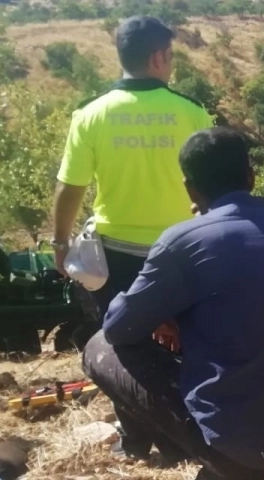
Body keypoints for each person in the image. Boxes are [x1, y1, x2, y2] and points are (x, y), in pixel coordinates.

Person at [82, 127, 264, 480]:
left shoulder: (182, 241)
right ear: (252, 177)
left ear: (190, 189)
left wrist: (159, 313)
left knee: (99, 347)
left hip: (248, 452)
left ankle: (160, 444)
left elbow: (119, 328)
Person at [51, 15, 213, 321]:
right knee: (189, 336)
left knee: (124, 340)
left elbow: (71, 187)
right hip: (181, 249)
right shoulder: (192, 112)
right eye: (171, 56)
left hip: (115, 257)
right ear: (158, 57)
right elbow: (211, 182)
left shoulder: (90, 114)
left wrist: (60, 243)